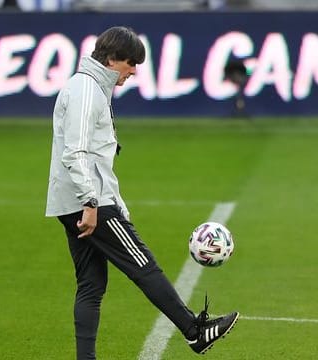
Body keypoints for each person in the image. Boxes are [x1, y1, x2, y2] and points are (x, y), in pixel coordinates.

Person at [45, 26, 239, 360]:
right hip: (88, 202)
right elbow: (75, 152)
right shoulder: (87, 90)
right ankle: (194, 331)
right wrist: (92, 202)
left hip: (76, 200)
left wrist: (115, 202)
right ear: (112, 58)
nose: (134, 71)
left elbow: (96, 156)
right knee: (144, 265)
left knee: (91, 286)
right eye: (131, 63)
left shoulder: (89, 88)